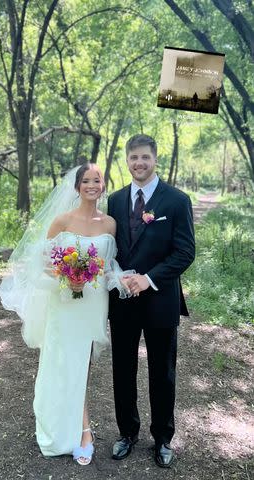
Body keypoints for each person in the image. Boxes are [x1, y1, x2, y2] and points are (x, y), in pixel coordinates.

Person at [0, 163, 131, 465]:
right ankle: (75, 430)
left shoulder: (109, 223)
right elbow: (42, 263)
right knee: (60, 361)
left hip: (93, 301)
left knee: (82, 362)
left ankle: (80, 426)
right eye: (86, 180)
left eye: (97, 180)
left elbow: (109, 266)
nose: (92, 185)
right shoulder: (61, 221)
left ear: (103, 185)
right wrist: (66, 277)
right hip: (65, 300)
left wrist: (125, 280)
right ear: (77, 186)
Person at [108, 134, 195, 468]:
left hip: (160, 300)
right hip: (123, 302)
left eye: (145, 158)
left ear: (154, 159)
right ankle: (127, 432)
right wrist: (116, 277)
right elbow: (113, 247)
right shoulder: (115, 200)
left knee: (163, 372)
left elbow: (185, 251)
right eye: (133, 158)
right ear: (127, 161)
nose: (139, 164)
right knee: (123, 370)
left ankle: (162, 438)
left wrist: (148, 279)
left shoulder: (175, 200)